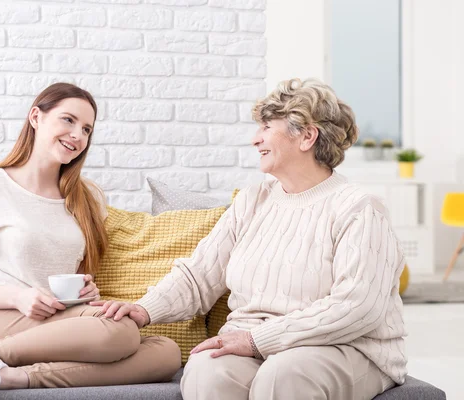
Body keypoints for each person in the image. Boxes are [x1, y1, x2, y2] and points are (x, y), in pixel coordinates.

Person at [97, 78, 408, 400]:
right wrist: (143, 310)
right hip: (255, 339)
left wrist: (258, 339)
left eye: (266, 127)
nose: (255, 139)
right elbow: (200, 275)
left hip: (342, 345)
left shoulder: (358, 207)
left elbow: (357, 307)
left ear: (307, 136)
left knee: (286, 374)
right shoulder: (253, 200)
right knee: (208, 370)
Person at [0, 82, 181, 396]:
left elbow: (71, 273)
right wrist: (19, 297)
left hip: (58, 320)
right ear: (36, 117)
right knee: (122, 333)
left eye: (86, 129)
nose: (77, 135)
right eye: (68, 120)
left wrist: (86, 289)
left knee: (167, 352)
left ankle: (6, 375)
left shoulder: (89, 198)